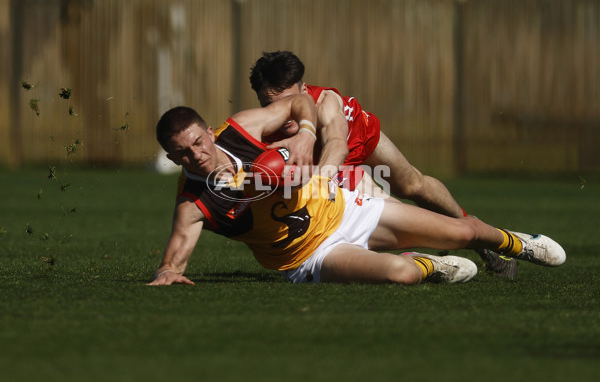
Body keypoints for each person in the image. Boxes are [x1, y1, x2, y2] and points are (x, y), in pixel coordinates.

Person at [147, 98, 565, 286]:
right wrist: (168, 272)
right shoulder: (193, 201)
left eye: (198, 142)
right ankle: (428, 267)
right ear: (171, 155)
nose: (195, 155)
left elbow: (297, 104)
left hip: (347, 209)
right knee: (402, 275)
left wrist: (305, 136)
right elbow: (176, 255)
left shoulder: (239, 129)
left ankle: (519, 244)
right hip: (312, 258)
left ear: (207, 130)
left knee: (466, 232)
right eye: (181, 153)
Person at [249, 50, 518, 278]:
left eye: (289, 101)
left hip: (350, 137)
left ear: (304, 90)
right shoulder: (258, 126)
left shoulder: (325, 102)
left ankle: (478, 236)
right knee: (393, 214)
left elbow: (337, 145)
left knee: (414, 185)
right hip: (331, 165)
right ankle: (427, 252)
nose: (283, 113)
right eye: (270, 104)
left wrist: (320, 182)